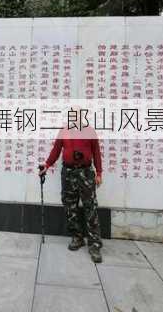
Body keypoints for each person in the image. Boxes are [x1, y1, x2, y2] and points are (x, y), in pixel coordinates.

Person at [39, 111, 103, 263]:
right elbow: (56, 150)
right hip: (68, 173)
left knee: (90, 207)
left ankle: (94, 244)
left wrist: (99, 173)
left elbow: (97, 153)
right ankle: (77, 237)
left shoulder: (90, 132)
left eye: (78, 115)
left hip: (86, 173)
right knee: (70, 206)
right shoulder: (64, 131)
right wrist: (46, 165)